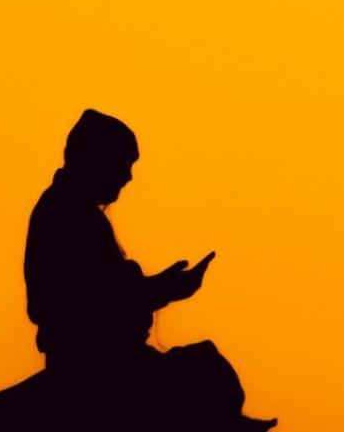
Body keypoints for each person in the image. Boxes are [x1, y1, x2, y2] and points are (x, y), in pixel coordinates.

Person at [25, 108, 211, 375]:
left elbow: (111, 291)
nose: (127, 177)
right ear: (97, 161)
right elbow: (102, 299)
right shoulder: (69, 214)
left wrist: (163, 286)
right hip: (94, 363)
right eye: (123, 164)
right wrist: (166, 288)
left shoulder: (72, 210)